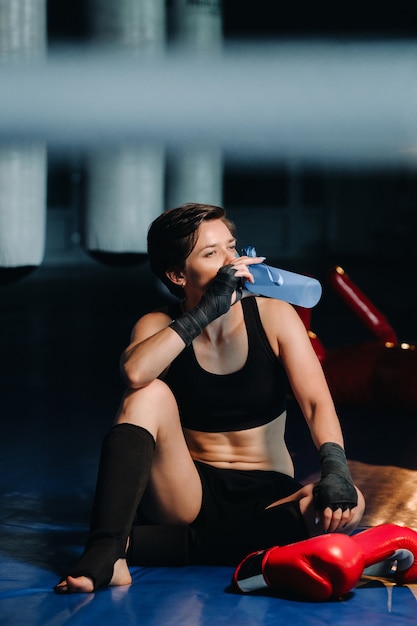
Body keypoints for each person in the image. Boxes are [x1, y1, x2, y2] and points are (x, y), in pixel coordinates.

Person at [55, 203, 365, 594]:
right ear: (176, 274)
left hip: (269, 493)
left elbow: (318, 403)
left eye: (231, 247)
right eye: (210, 252)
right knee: (147, 392)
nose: (229, 261)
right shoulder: (157, 325)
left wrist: (335, 469)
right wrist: (205, 312)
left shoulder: (274, 316)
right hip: (188, 495)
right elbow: (134, 373)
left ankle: (144, 545)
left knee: (350, 505)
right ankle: (108, 552)